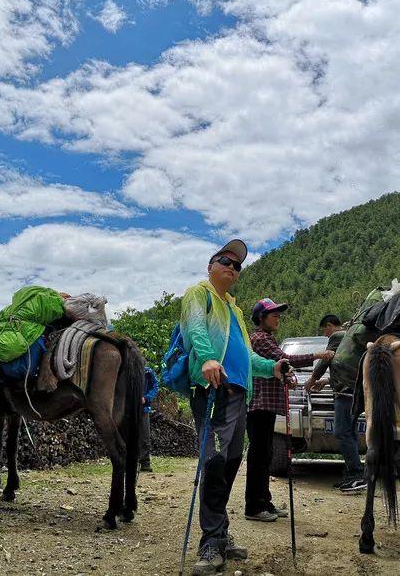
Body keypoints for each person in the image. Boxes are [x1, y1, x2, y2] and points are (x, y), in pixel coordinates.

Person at [181, 239, 294, 576]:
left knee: (230, 462)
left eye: (237, 265)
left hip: (239, 394)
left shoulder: (235, 309)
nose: (231, 267)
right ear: (210, 266)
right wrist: (208, 358)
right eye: (224, 261)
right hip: (213, 388)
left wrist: (273, 368)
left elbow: (246, 355)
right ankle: (211, 541)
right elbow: (194, 328)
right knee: (215, 463)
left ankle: (220, 531)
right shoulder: (199, 294)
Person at [246, 299, 330, 522]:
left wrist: (286, 378)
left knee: (265, 455)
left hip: (266, 405)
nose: (278, 318)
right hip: (259, 405)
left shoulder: (267, 338)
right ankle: (254, 507)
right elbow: (287, 359)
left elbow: (280, 366)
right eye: (273, 314)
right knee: (259, 456)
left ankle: (264, 501)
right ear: (261, 318)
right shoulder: (260, 339)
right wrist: (317, 356)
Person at [304, 315, 367, 492]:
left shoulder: (337, 337)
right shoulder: (351, 339)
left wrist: (312, 379)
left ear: (330, 325)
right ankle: (352, 474)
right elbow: (346, 367)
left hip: (344, 394)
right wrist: (327, 381)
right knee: (350, 433)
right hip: (355, 392)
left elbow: (327, 360)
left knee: (342, 432)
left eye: (324, 330)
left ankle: (356, 474)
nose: (325, 335)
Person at [139, 365, 159, 472]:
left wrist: (146, 398)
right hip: (128, 408)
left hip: (143, 408)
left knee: (144, 436)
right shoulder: (125, 370)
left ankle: (145, 463)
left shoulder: (147, 371)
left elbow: (155, 386)